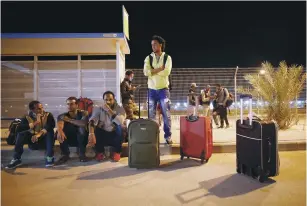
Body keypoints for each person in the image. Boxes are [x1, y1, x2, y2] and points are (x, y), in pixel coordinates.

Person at [5, 101, 56, 169]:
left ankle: (49, 157)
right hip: (33, 140)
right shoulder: (27, 117)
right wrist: (34, 124)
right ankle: (16, 159)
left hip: (44, 139)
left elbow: (51, 125)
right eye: (38, 109)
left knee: (50, 132)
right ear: (32, 110)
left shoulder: (48, 115)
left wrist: (39, 134)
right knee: (21, 134)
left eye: (42, 108)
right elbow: (20, 128)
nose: (41, 110)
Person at [143, 35, 173, 145]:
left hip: (163, 90)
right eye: (151, 45)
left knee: (166, 113)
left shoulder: (167, 58)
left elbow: (166, 72)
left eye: (155, 44)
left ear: (160, 45)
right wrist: (160, 68)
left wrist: (153, 71)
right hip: (151, 90)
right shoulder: (148, 58)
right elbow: (146, 72)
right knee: (151, 115)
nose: (153, 46)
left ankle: (168, 136)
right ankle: (152, 136)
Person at [88, 91, 126, 162]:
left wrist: (109, 110)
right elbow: (92, 121)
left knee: (119, 127)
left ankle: (117, 152)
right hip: (104, 135)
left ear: (114, 99)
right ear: (103, 100)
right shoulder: (98, 108)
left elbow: (119, 121)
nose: (108, 102)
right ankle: (100, 152)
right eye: (106, 100)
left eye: (110, 99)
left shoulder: (119, 108)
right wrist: (91, 133)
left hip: (116, 136)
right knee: (96, 129)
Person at [55, 97, 89, 164]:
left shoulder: (84, 113)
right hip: (68, 139)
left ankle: (82, 154)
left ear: (77, 105)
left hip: (82, 139)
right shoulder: (62, 115)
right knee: (60, 131)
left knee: (81, 128)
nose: (69, 106)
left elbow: (83, 123)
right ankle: (65, 155)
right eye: (68, 104)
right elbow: (60, 125)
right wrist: (59, 131)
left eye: (71, 104)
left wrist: (68, 120)